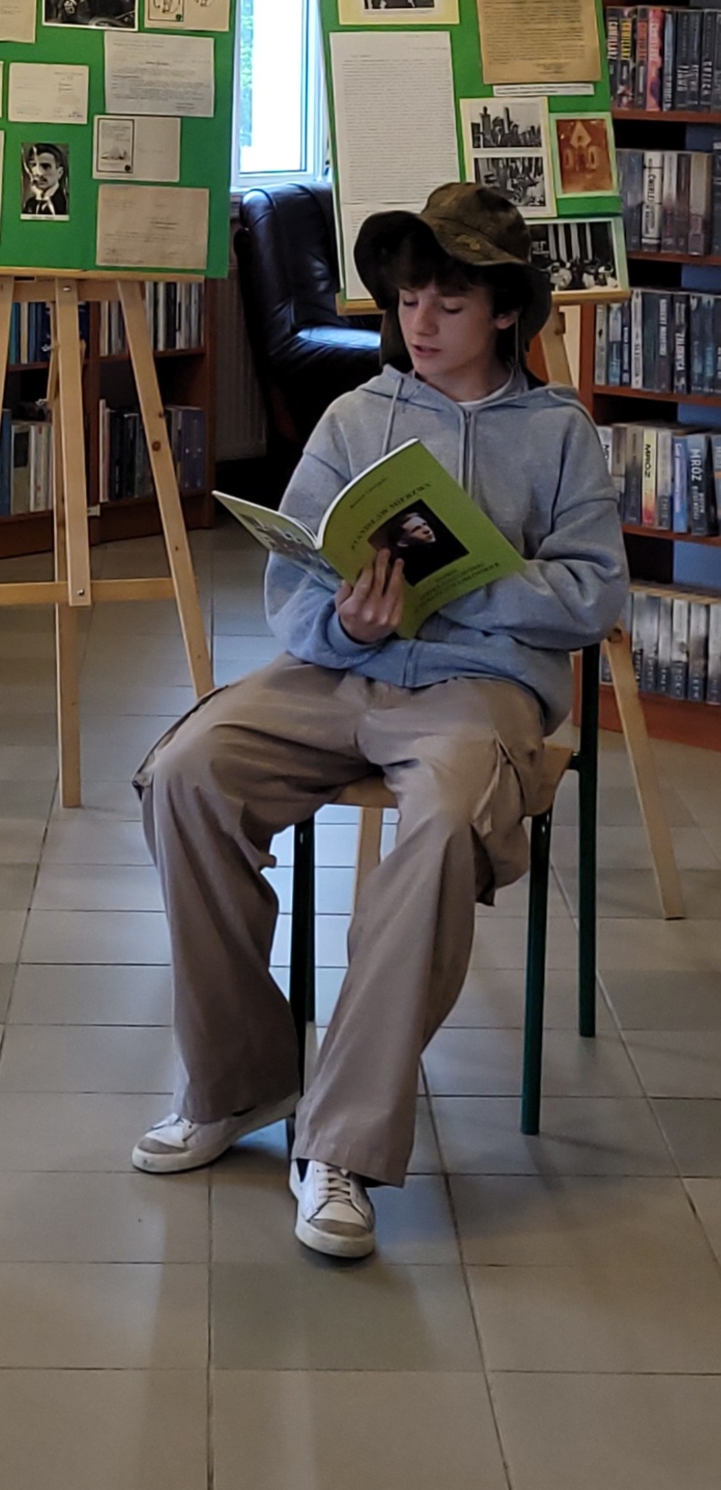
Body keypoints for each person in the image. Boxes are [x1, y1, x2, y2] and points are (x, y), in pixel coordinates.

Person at [131, 184, 626, 1259]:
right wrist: (349, 618)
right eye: (408, 300)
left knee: (443, 822)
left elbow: (595, 596)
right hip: (337, 672)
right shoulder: (356, 415)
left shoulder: (559, 433)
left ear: (505, 309)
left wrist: (469, 584)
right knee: (185, 770)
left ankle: (341, 1146)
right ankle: (239, 1080)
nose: (421, 322)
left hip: (477, 690)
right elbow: (292, 585)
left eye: (450, 301)